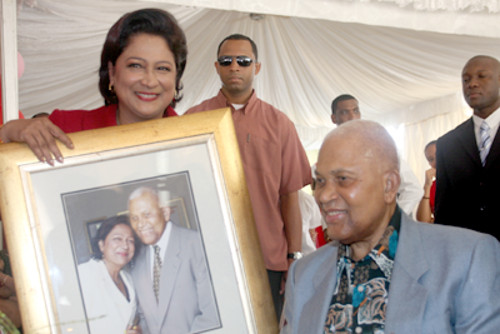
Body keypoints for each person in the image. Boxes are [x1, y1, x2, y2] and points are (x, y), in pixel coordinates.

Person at [281, 119, 500, 334]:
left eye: (343, 179)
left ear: (389, 185)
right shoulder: (302, 275)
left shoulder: (466, 259)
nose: (324, 195)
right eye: (319, 181)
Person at [185, 34, 311, 318]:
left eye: (243, 61)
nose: (234, 67)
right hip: (206, 255)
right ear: (216, 67)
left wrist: (294, 256)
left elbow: (290, 196)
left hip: (267, 256)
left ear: (257, 67)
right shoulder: (193, 120)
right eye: (226, 61)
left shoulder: (280, 124)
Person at [0, 8, 186, 165]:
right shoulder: (64, 129)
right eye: (135, 65)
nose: (149, 81)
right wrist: (7, 132)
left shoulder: (202, 141)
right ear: (112, 72)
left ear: (176, 77)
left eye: (163, 68)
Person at [127, 187, 219, 334]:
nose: (140, 224)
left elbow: (213, 314)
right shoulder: (136, 261)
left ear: (165, 213)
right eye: (134, 218)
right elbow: (146, 318)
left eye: (146, 214)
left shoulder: (197, 244)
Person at [435, 55, 500, 240]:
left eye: (482, 76)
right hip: (468, 254)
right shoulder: (448, 144)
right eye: (466, 79)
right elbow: (444, 211)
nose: (472, 84)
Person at [330, 94, 423, 216]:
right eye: (344, 112)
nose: (352, 117)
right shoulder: (332, 154)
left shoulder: (380, 146)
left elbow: (413, 189)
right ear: (334, 118)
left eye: (356, 111)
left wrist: (391, 219)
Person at [78, 215, 141, 334]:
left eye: (130, 240)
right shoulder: (84, 274)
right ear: (101, 245)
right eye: (117, 239)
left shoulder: (129, 279)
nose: (125, 246)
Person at [416, 140, 436, 222]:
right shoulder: (433, 187)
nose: (435, 163)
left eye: (438, 156)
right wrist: (427, 186)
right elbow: (423, 221)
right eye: (431, 159)